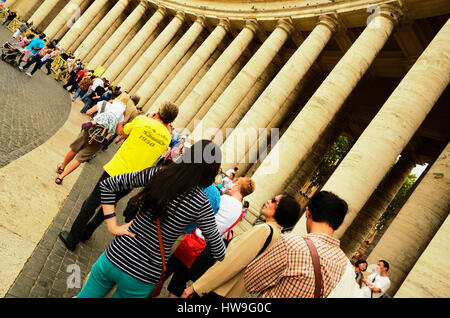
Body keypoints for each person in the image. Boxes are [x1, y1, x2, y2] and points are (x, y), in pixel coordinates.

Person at [76, 140, 226, 298]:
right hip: (144, 274)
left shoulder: (159, 173)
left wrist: (113, 225)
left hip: (116, 255)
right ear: (211, 171)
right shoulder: (202, 203)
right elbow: (219, 252)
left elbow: (108, 185)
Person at [58, 101, 179, 251]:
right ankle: (87, 232)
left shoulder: (142, 120)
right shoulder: (167, 138)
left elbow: (123, 132)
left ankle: (72, 238)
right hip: (135, 178)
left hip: (117, 169)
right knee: (110, 204)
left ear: (159, 112)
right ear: (171, 121)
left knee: (92, 202)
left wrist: (149, 119)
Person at [182, 193, 300, 299]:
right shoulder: (276, 235)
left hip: (219, 289)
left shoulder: (264, 230)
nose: (269, 201)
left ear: (283, 210)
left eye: (274, 201)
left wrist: (198, 287)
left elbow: (232, 263)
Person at [244, 191, 354, 298]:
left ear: (308, 212)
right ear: (339, 226)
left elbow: (250, 283)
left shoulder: (291, 244)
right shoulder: (346, 267)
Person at [167, 177, 255, 298]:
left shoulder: (225, 199)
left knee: (165, 270)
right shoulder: (240, 210)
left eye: (235, 183)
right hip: (203, 246)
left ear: (238, 186)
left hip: (194, 237)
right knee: (178, 283)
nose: (233, 184)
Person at [55, 94, 128, 185]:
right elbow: (118, 132)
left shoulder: (104, 104)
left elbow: (88, 112)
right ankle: (61, 177)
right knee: (80, 158)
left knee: (74, 150)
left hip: (89, 131)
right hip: (100, 139)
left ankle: (62, 167)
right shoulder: (120, 116)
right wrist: (123, 120)